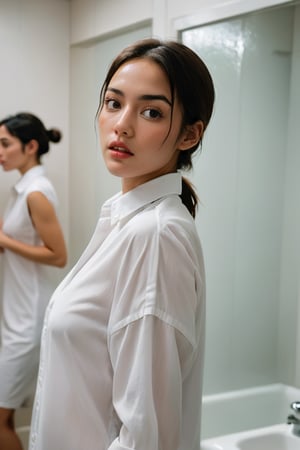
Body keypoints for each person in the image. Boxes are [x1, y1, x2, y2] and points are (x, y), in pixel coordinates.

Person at [29, 38, 215, 450]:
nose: (123, 124)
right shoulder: (125, 220)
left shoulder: (155, 235)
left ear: (189, 134)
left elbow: (145, 437)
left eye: (151, 111)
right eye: (114, 103)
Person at [0, 112, 67, 450]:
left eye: (4, 143)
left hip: (28, 318)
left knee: (1, 421)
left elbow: (59, 255)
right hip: (16, 313)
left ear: (30, 146)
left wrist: (4, 241)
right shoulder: (22, 189)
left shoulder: (36, 192)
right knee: (4, 418)